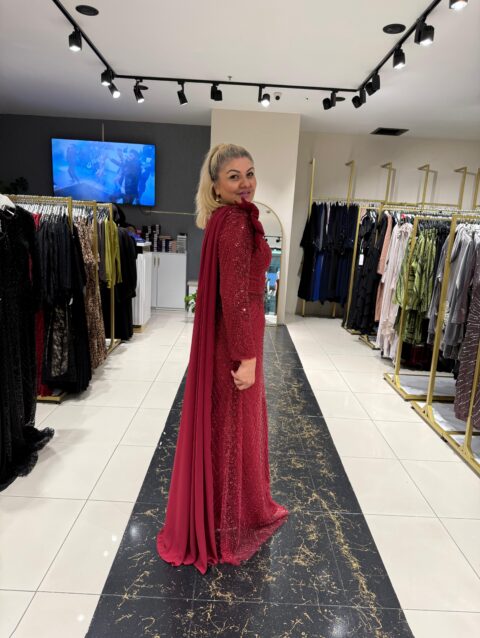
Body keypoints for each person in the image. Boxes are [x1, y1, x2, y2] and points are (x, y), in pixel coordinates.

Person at [157, 143, 289, 574]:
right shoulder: (234, 223)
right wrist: (246, 357)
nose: (245, 183)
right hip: (236, 341)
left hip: (231, 338)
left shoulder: (226, 219)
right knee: (233, 427)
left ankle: (220, 514)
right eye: (234, 176)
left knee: (227, 425)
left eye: (249, 173)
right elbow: (234, 298)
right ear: (215, 185)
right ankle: (227, 524)